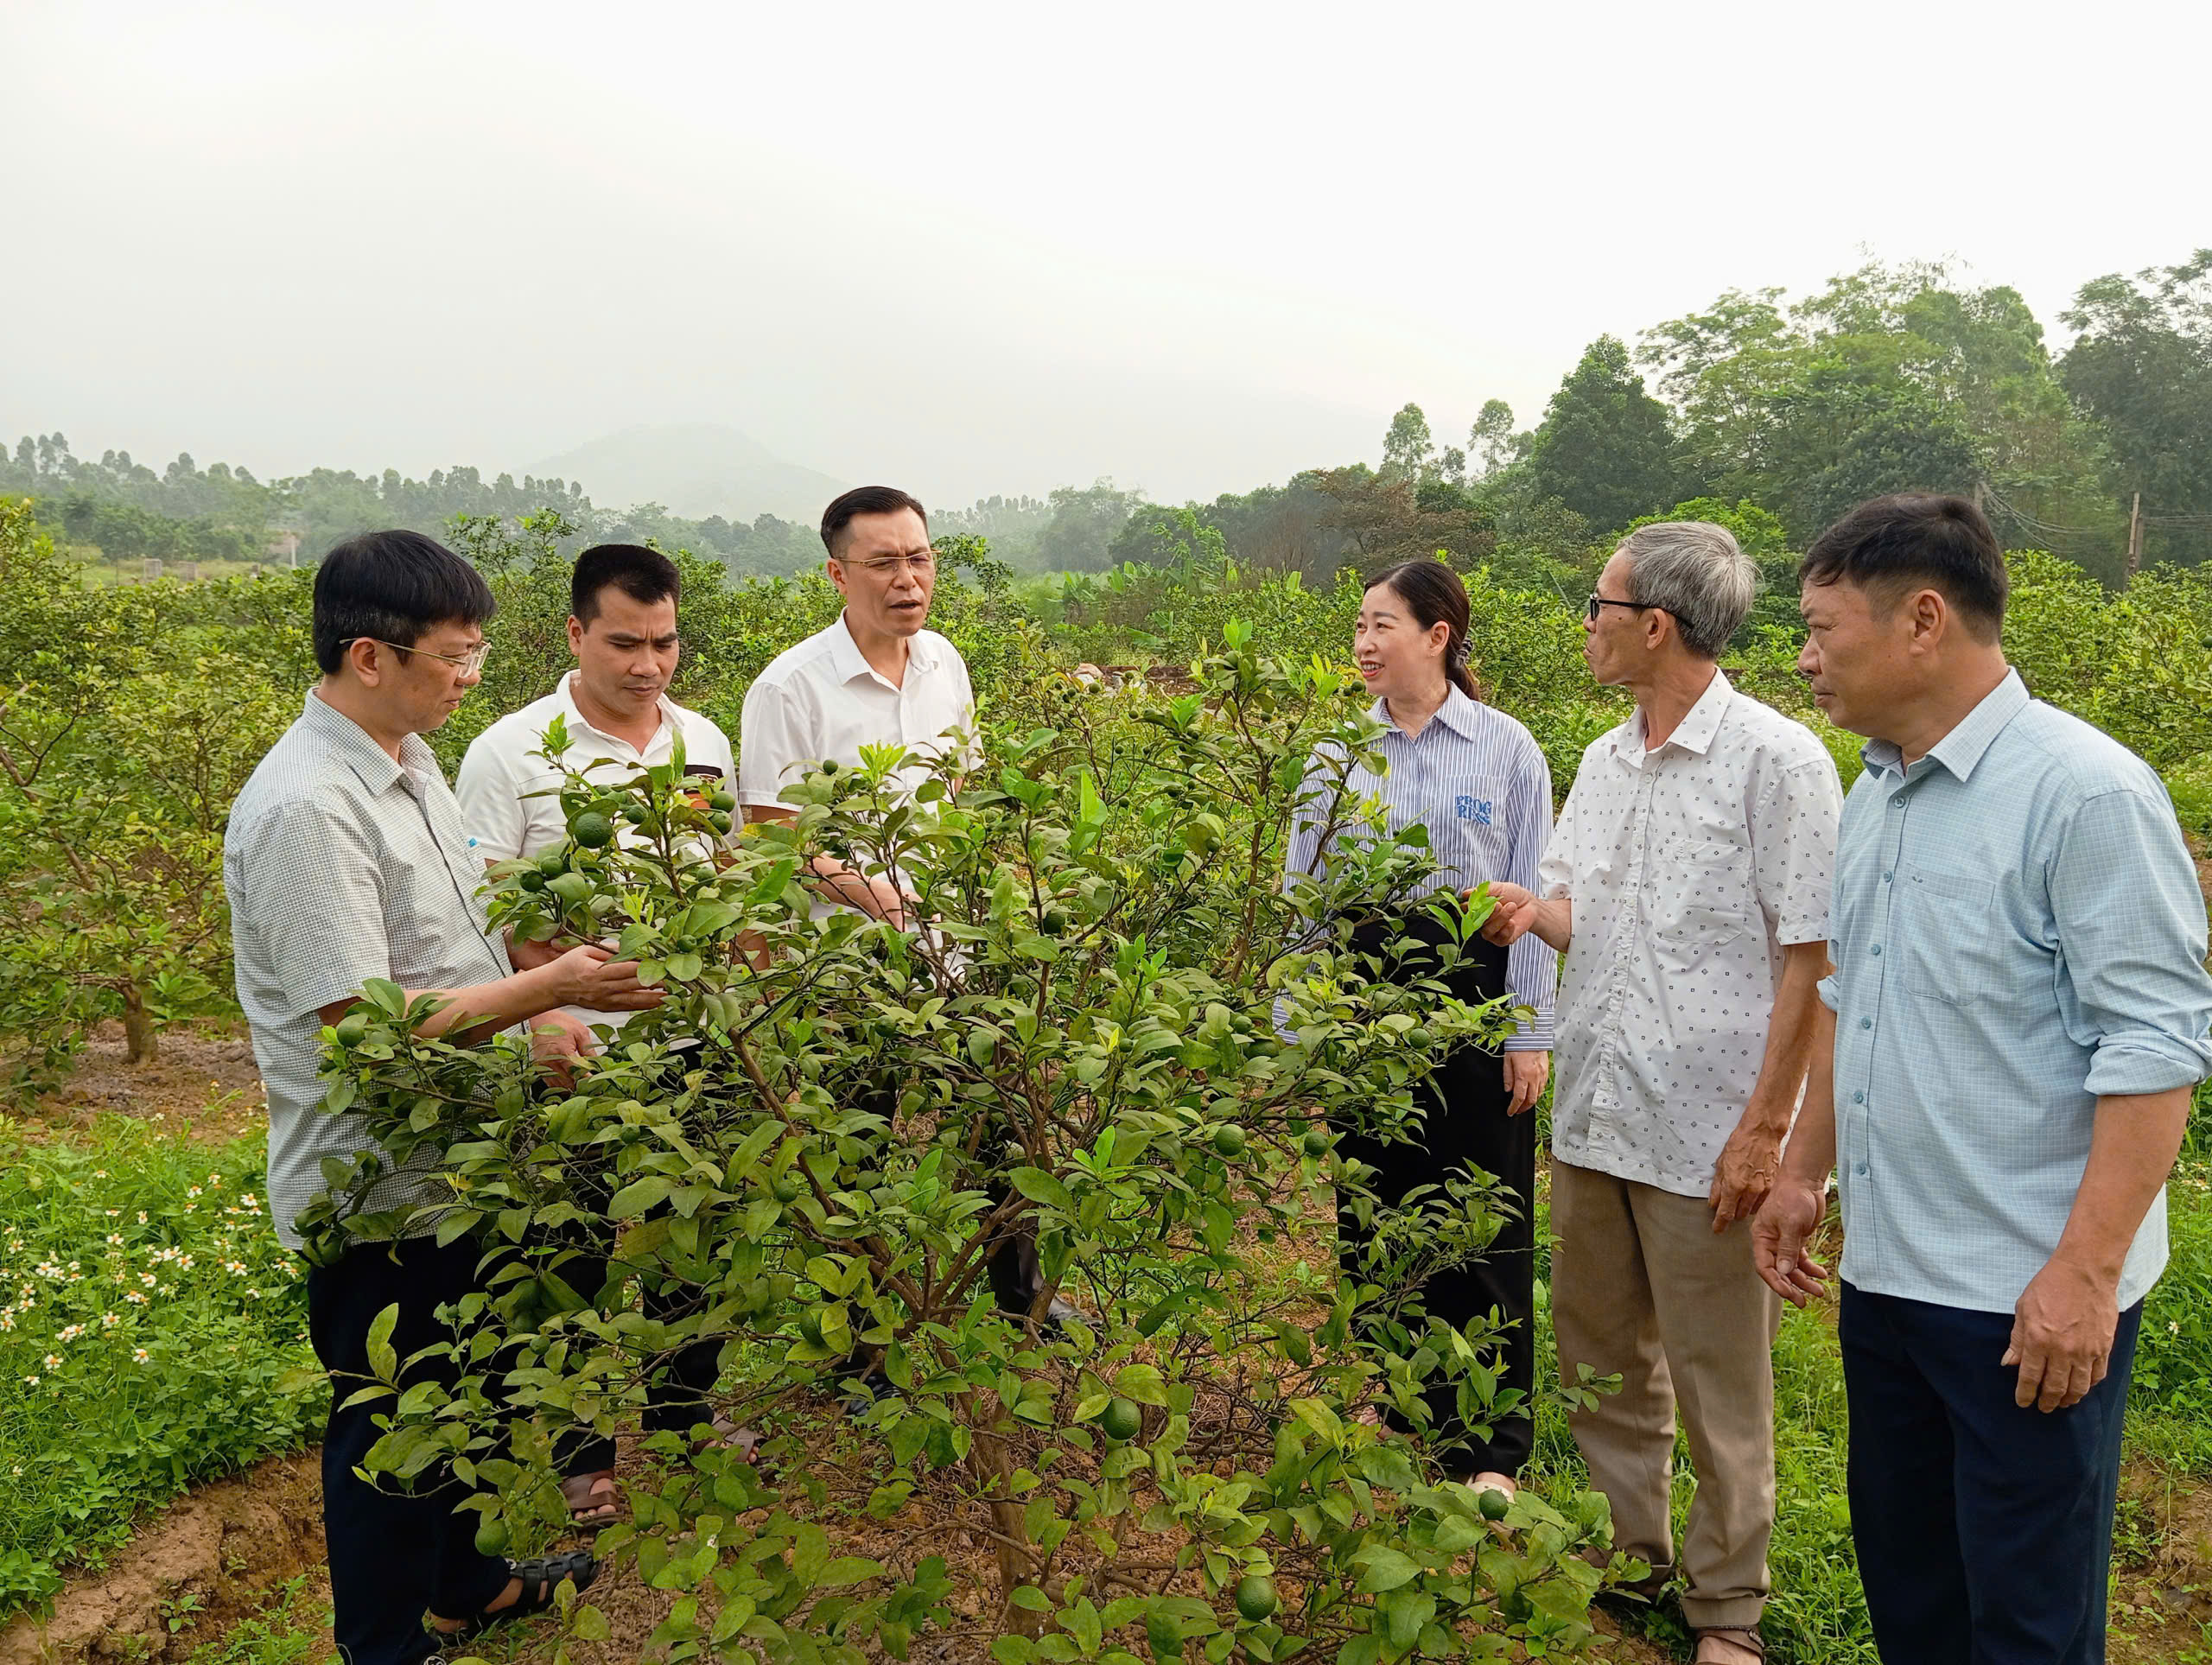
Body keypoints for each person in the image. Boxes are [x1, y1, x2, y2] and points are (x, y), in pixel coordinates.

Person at [1751, 494, 2212, 1665]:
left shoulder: (2087, 793)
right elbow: (1854, 992)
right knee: (1914, 1595)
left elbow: (2155, 1052)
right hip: (1895, 1280)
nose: (1803, 658)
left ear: (1921, 618)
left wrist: (2084, 1274)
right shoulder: (1879, 791)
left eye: (1819, 626)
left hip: (2026, 1301)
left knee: (2028, 1619)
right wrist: (1804, 1170)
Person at [225, 530, 663, 1664]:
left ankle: (468, 1586)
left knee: (462, 1384)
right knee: (391, 1421)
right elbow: (368, 1028)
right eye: (456, 657)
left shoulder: (409, 763)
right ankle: (383, 1644)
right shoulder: (310, 809)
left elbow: (450, 950)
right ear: (371, 655)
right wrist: (550, 988)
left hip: (461, 1159)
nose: (472, 678)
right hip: (382, 1183)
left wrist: (540, 1012)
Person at [1484, 521, 1840, 1665]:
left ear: (1657, 625)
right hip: (1599, 1110)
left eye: (1600, 603)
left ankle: (1727, 1603)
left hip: (1710, 1132)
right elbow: (1587, 911)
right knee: (1602, 1358)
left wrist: (1768, 1132)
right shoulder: (1603, 757)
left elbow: (1811, 952)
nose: (1584, 622)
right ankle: (1625, 1555)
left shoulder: (1779, 762)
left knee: (1719, 1378)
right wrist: (1529, 910)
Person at [454, 541, 743, 1526]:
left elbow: (723, 873)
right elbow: (479, 908)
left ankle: (681, 1408)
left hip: (691, 1045)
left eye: (665, 643)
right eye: (624, 642)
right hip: (572, 1048)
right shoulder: (508, 752)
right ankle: (584, 1455)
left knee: (689, 1239)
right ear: (575, 633)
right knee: (574, 1248)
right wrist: (538, 1016)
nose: (648, 665)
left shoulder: (699, 741)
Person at [739, 485, 1066, 1329]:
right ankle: (860, 1342)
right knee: (858, 1146)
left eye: (918, 558)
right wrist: (871, 891)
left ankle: (1020, 1299)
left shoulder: (943, 663)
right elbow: (775, 839)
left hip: (949, 943)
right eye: (882, 562)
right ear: (836, 573)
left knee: (999, 1118)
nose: (906, 578)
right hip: (845, 969)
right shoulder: (789, 690)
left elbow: (960, 787)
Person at [1283, 558, 1557, 1496]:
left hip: (1476, 993)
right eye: (1356, 625)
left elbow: (1532, 893)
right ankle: (1401, 1413)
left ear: (1437, 636)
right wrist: (1302, 1036)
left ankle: (1489, 1446)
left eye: (1381, 625)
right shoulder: (1333, 756)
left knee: (1484, 1219)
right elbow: (1304, 908)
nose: (1362, 643)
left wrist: (1528, 1029)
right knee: (1380, 1213)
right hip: (1363, 1002)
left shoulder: (1507, 748)